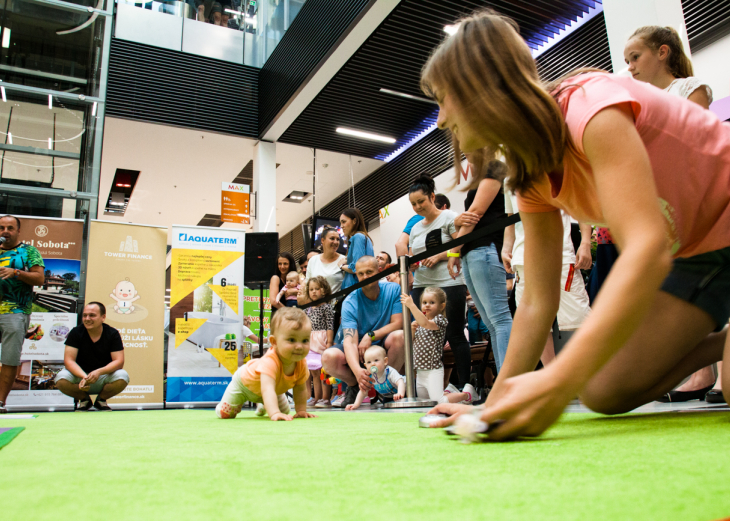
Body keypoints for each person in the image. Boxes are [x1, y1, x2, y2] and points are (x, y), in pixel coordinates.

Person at [421, 9, 730, 439]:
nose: (439, 120)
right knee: (604, 391)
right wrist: (496, 406)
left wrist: (556, 379)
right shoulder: (529, 175)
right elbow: (536, 303)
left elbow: (646, 247)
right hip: (701, 254)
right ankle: (722, 341)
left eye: (443, 99)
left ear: (481, 87)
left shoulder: (588, 104)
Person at [625, 25, 722, 404]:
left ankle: (712, 372)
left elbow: (697, 143)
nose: (630, 66)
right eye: (628, 60)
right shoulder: (639, 104)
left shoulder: (690, 89)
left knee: (709, 277)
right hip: (663, 206)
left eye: (636, 57)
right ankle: (697, 370)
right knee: (679, 289)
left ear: (662, 52)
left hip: (701, 197)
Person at [503, 182, 593, 366]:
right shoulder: (510, 177)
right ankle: (554, 381)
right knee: (535, 326)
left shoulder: (557, 163)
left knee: (580, 318)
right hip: (523, 259)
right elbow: (511, 220)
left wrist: (585, 242)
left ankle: (589, 379)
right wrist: (506, 248)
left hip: (559, 254)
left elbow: (581, 205)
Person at [445, 158, 512, 371]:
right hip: (473, 251)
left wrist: (454, 249)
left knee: (499, 320)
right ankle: (505, 382)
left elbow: (476, 213)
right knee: (493, 323)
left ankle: (508, 381)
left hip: (485, 247)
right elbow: (467, 217)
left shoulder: (495, 168)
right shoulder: (483, 175)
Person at [408, 174, 472, 391]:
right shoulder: (415, 228)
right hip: (421, 286)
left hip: (449, 283)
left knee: (454, 334)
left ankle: (465, 385)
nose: (417, 207)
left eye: (421, 202)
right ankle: (425, 388)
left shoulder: (448, 217)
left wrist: (440, 256)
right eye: (413, 204)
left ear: (432, 197)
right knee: (421, 333)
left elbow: (460, 243)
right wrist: (412, 265)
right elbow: (411, 254)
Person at [321, 256, 404, 408]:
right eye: (361, 273)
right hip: (358, 351)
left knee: (400, 336)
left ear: (379, 271)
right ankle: (355, 385)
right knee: (328, 357)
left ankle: (385, 387)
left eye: (369, 272)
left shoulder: (393, 289)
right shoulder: (350, 301)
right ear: (356, 275)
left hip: (383, 347)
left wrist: (370, 335)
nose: (365, 277)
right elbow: (350, 341)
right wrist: (358, 372)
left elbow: (398, 323)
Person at [216, 307, 317, 421]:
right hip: (244, 386)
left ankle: (263, 404)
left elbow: (300, 389)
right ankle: (264, 404)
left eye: (305, 340)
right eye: (292, 340)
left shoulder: (301, 363)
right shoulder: (270, 361)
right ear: (274, 342)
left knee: (285, 412)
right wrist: (274, 413)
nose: (299, 346)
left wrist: (301, 410)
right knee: (225, 414)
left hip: (272, 390)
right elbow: (267, 389)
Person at [0, 215, 45, 414]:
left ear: (18, 231)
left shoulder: (29, 251)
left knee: (9, 358)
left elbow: (40, 278)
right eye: (1, 228)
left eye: (10, 228)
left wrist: (16, 273)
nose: (5, 232)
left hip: (15, 311)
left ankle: (0, 402)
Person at [401, 289, 478, 404]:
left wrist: (411, 305)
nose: (427, 305)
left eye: (432, 303)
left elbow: (426, 324)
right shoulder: (420, 323)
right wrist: (412, 330)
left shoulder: (440, 320)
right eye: (424, 302)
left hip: (433, 370)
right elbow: (410, 341)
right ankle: (450, 392)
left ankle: (466, 395)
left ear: (442, 306)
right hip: (421, 370)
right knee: (425, 402)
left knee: (438, 401)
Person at [55, 302, 130, 411]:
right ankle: (84, 400)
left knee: (123, 376)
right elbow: (69, 361)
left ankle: (101, 400)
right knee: (61, 379)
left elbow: (119, 361)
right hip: (80, 377)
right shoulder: (76, 332)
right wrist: (84, 377)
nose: (87, 318)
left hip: (103, 376)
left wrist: (98, 372)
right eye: (85, 315)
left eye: (92, 315)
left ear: (103, 317)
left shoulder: (112, 333)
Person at [304, 276, 335, 408]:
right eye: (311, 289)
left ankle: (325, 398)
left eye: (317, 289)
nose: (314, 292)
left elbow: (329, 326)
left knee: (323, 370)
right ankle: (315, 398)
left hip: (322, 341)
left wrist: (329, 342)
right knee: (313, 372)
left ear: (324, 290)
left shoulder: (326, 307)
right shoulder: (308, 309)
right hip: (311, 342)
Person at [345, 345, 405, 410]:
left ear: (385, 361)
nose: (372, 364)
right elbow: (363, 392)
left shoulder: (389, 372)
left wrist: (400, 393)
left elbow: (400, 382)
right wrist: (355, 404)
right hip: (389, 397)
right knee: (386, 408)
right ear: (366, 366)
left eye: (376, 360)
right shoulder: (370, 377)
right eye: (369, 362)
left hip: (405, 392)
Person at [299, 228, 346, 306]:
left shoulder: (344, 259)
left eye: (338, 239)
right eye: (332, 238)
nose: (335, 242)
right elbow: (307, 287)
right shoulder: (313, 260)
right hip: (316, 310)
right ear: (322, 240)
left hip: (336, 309)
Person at [338, 208, 374, 290]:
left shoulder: (358, 237)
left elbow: (357, 267)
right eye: (340, 222)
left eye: (344, 222)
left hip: (357, 290)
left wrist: (341, 266)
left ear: (354, 221)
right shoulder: (362, 237)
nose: (341, 226)